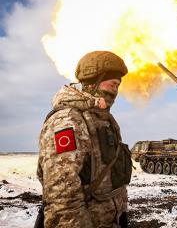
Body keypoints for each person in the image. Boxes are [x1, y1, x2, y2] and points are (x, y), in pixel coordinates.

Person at [37, 51, 133, 228]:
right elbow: (63, 198)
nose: (115, 90)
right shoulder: (68, 121)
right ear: (93, 82)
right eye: (112, 84)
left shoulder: (101, 119)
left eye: (118, 86)